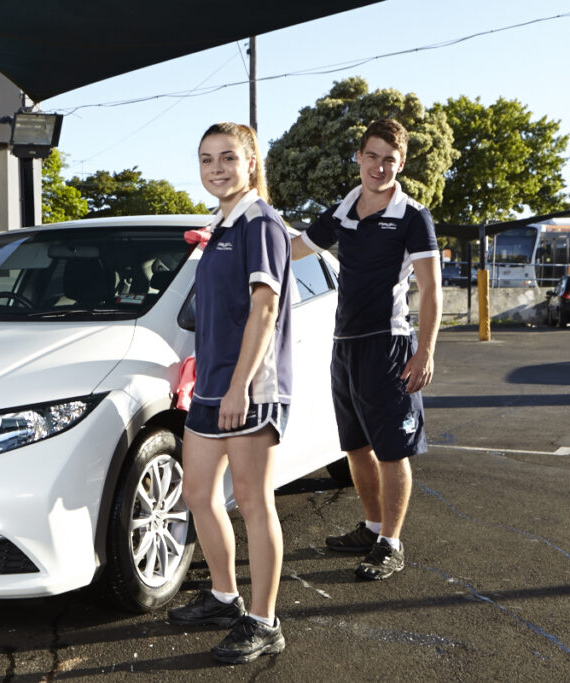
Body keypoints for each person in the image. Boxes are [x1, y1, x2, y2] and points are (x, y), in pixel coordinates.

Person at [291, 118, 441, 581]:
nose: (379, 167)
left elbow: (431, 291)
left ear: (402, 163)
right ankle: (373, 526)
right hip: (345, 345)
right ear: (358, 156)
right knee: (355, 446)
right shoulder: (343, 209)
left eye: (389, 159)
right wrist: (238, 246)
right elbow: (297, 247)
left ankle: (391, 543)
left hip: (390, 345)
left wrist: (426, 352)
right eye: (372, 156)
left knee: (392, 450)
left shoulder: (412, 215)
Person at [168, 122, 293, 665]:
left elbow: (264, 308)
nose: (216, 168)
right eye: (206, 159)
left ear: (250, 164)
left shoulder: (260, 223)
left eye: (227, 158)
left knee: (252, 502)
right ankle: (224, 597)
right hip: (212, 385)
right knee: (197, 493)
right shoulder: (219, 225)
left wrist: (240, 385)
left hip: (250, 386)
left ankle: (264, 622)